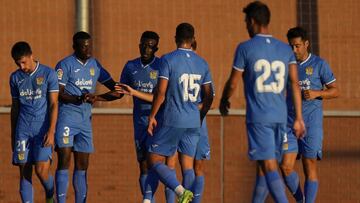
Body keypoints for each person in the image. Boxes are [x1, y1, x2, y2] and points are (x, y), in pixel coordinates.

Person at [219, 1, 305, 203]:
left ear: (252, 21)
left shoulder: (245, 48)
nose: (246, 26)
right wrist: (299, 118)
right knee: (263, 169)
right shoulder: (285, 50)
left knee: (268, 166)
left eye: (245, 22)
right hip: (281, 118)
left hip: (260, 119)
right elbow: (294, 83)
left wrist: (224, 100)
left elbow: (233, 82)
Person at [145, 22, 214, 203]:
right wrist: (200, 115)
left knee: (154, 160)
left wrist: (152, 116)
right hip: (193, 122)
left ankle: (180, 191)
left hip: (173, 118)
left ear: (175, 38)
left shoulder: (168, 59)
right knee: (188, 167)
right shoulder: (202, 63)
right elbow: (209, 96)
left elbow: (161, 92)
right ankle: (186, 196)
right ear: (192, 40)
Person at [54, 31, 118, 203]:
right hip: (67, 118)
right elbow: (58, 94)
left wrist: (100, 96)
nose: (88, 48)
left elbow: (116, 89)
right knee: (64, 161)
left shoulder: (95, 66)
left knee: (82, 166)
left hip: (85, 122)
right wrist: (78, 98)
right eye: (84, 46)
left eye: (90, 45)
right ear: (74, 47)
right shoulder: (64, 65)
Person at [116, 30, 177, 203]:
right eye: (144, 44)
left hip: (160, 122)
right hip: (140, 123)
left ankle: (173, 197)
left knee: (163, 166)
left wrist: (135, 93)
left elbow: (162, 97)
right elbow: (120, 92)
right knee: (143, 166)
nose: (146, 48)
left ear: (156, 48)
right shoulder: (130, 66)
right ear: (139, 45)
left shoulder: (162, 66)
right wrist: (97, 97)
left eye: (150, 46)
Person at [280, 26, 339, 203]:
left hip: (311, 124)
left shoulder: (320, 64)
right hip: (289, 124)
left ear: (306, 44)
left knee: (309, 164)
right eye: (291, 46)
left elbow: (335, 91)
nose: (294, 50)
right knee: (285, 167)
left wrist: (316, 93)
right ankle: (300, 199)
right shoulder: (285, 65)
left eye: (297, 46)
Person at [10, 41, 58, 203]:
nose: (22, 66)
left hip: (42, 130)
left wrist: (51, 131)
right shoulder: (15, 78)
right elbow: (15, 107)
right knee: (24, 171)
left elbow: (53, 104)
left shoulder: (48, 74)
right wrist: (13, 134)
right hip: (22, 129)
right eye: (18, 63)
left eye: (23, 61)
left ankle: (50, 194)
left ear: (31, 56)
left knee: (41, 170)